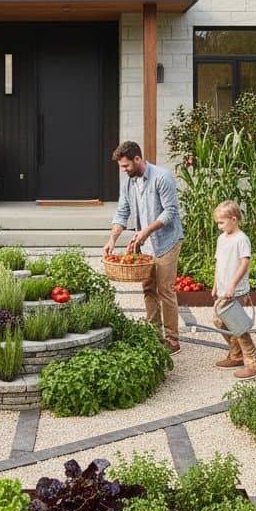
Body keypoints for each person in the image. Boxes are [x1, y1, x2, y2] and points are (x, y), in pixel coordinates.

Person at [103, 139, 184, 354]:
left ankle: (173, 339)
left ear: (137, 159)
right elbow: (122, 212)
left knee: (165, 290)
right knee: (148, 289)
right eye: (121, 166)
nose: (123, 170)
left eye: (125, 165)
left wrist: (146, 231)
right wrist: (112, 239)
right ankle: (153, 334)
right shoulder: (128, 182)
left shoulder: (161, 177)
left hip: (167, 241)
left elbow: (171, 211)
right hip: (145, 245)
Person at [211, 200, 256, 380]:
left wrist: (232, 285)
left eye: (221, 222)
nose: (219, 226)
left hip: (236, 290)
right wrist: (216, 284)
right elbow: (219, 262)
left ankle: (253, 363)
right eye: (217, 223)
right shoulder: (222, 238)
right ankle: (237, 354)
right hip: (223, 290)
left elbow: (244, 263)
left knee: (237, 325)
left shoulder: (241, 239)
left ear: (234, 219)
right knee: (219, 321)